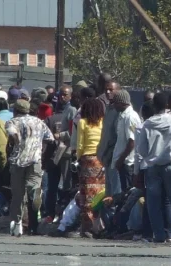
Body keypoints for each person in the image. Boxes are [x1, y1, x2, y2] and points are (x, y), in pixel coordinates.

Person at [138, 93, 171, 243]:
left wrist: (150, 157)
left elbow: (141, 149)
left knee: (153, 202)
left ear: (154, 106)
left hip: (153, 167)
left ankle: (159, 235)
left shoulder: (148, 124)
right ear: (167, 105)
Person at [5, 99, 54, 237]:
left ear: (15, 111)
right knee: (34, 188)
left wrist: (17, 142)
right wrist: (42, 154)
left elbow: (12, 133)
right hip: (35, 160)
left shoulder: (12, 122)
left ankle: (17, 225)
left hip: (18, 161)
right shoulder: (39, 122)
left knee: (18, 195)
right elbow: (50, 139)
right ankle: (34, 221)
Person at [76, 98, 105, 237]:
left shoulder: (83, 122)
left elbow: (80, 145)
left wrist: (78, 158)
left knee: (87, 193)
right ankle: (99, 225)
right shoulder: (102, 122)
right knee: (99, 192)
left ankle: (87, 226)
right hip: (100, 160)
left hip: (87, 159)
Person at [111, 90, 141, 192]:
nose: (113, 105)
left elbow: (132, 141)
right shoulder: (123, 115)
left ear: (121, 102)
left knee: (128, 192)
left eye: (115, 102)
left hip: (128, 163)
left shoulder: (130, 117)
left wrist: (121, 159)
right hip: (123, 163)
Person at [97, 82, 121, 196]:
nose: (108, 92)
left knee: (115, 194)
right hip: (106, 158)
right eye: (106, 89)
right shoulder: (108, 108)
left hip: (114, 158)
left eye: (111, 90)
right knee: (108, 193)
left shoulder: (121, 111)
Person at [54, 85, 77, 205]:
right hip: (62, 150)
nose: (62, 97)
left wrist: (60, 135)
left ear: (70, 96)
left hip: (68, 150)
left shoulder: (72, 110)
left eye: (65, 94)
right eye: (61, 94)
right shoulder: (62, 109)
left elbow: (73, 131)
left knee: (67, 180)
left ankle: (66, 203)